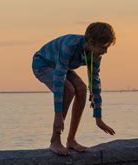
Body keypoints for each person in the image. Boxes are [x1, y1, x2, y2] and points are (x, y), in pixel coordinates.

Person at [32, 22, 116, 156]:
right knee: (68, 90)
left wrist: (98, 117)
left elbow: (94, 83)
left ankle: (71, 140)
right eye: (103, 47)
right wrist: (58, 115)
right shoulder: (70, 46)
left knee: (81, 89)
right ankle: (55, 140)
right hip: (43, 64)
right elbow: (59, 80)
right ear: (92, 42)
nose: (105, 51)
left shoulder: (95, 55)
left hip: (61, 66)